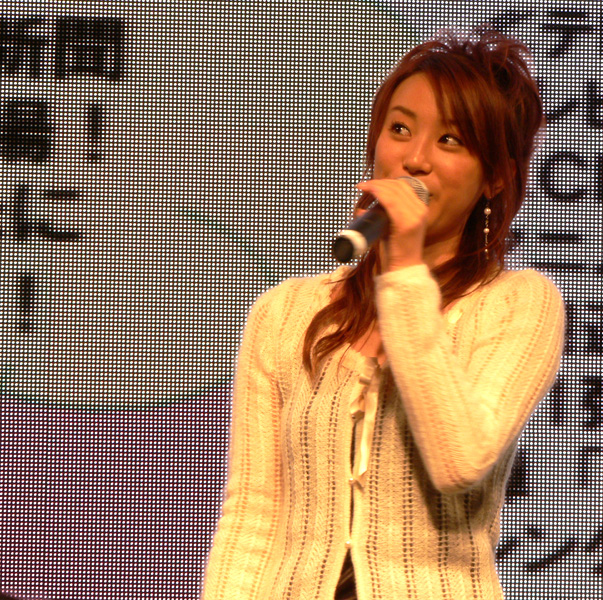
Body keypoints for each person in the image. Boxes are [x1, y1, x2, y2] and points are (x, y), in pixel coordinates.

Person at [202, 27, 564, 600]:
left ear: (495, 177)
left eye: (450, 140)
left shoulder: (518, 303)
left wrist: (402, 270)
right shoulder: (286, 312)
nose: (414, 159)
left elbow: (458, 460)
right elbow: (253, 512)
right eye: (399, 129)